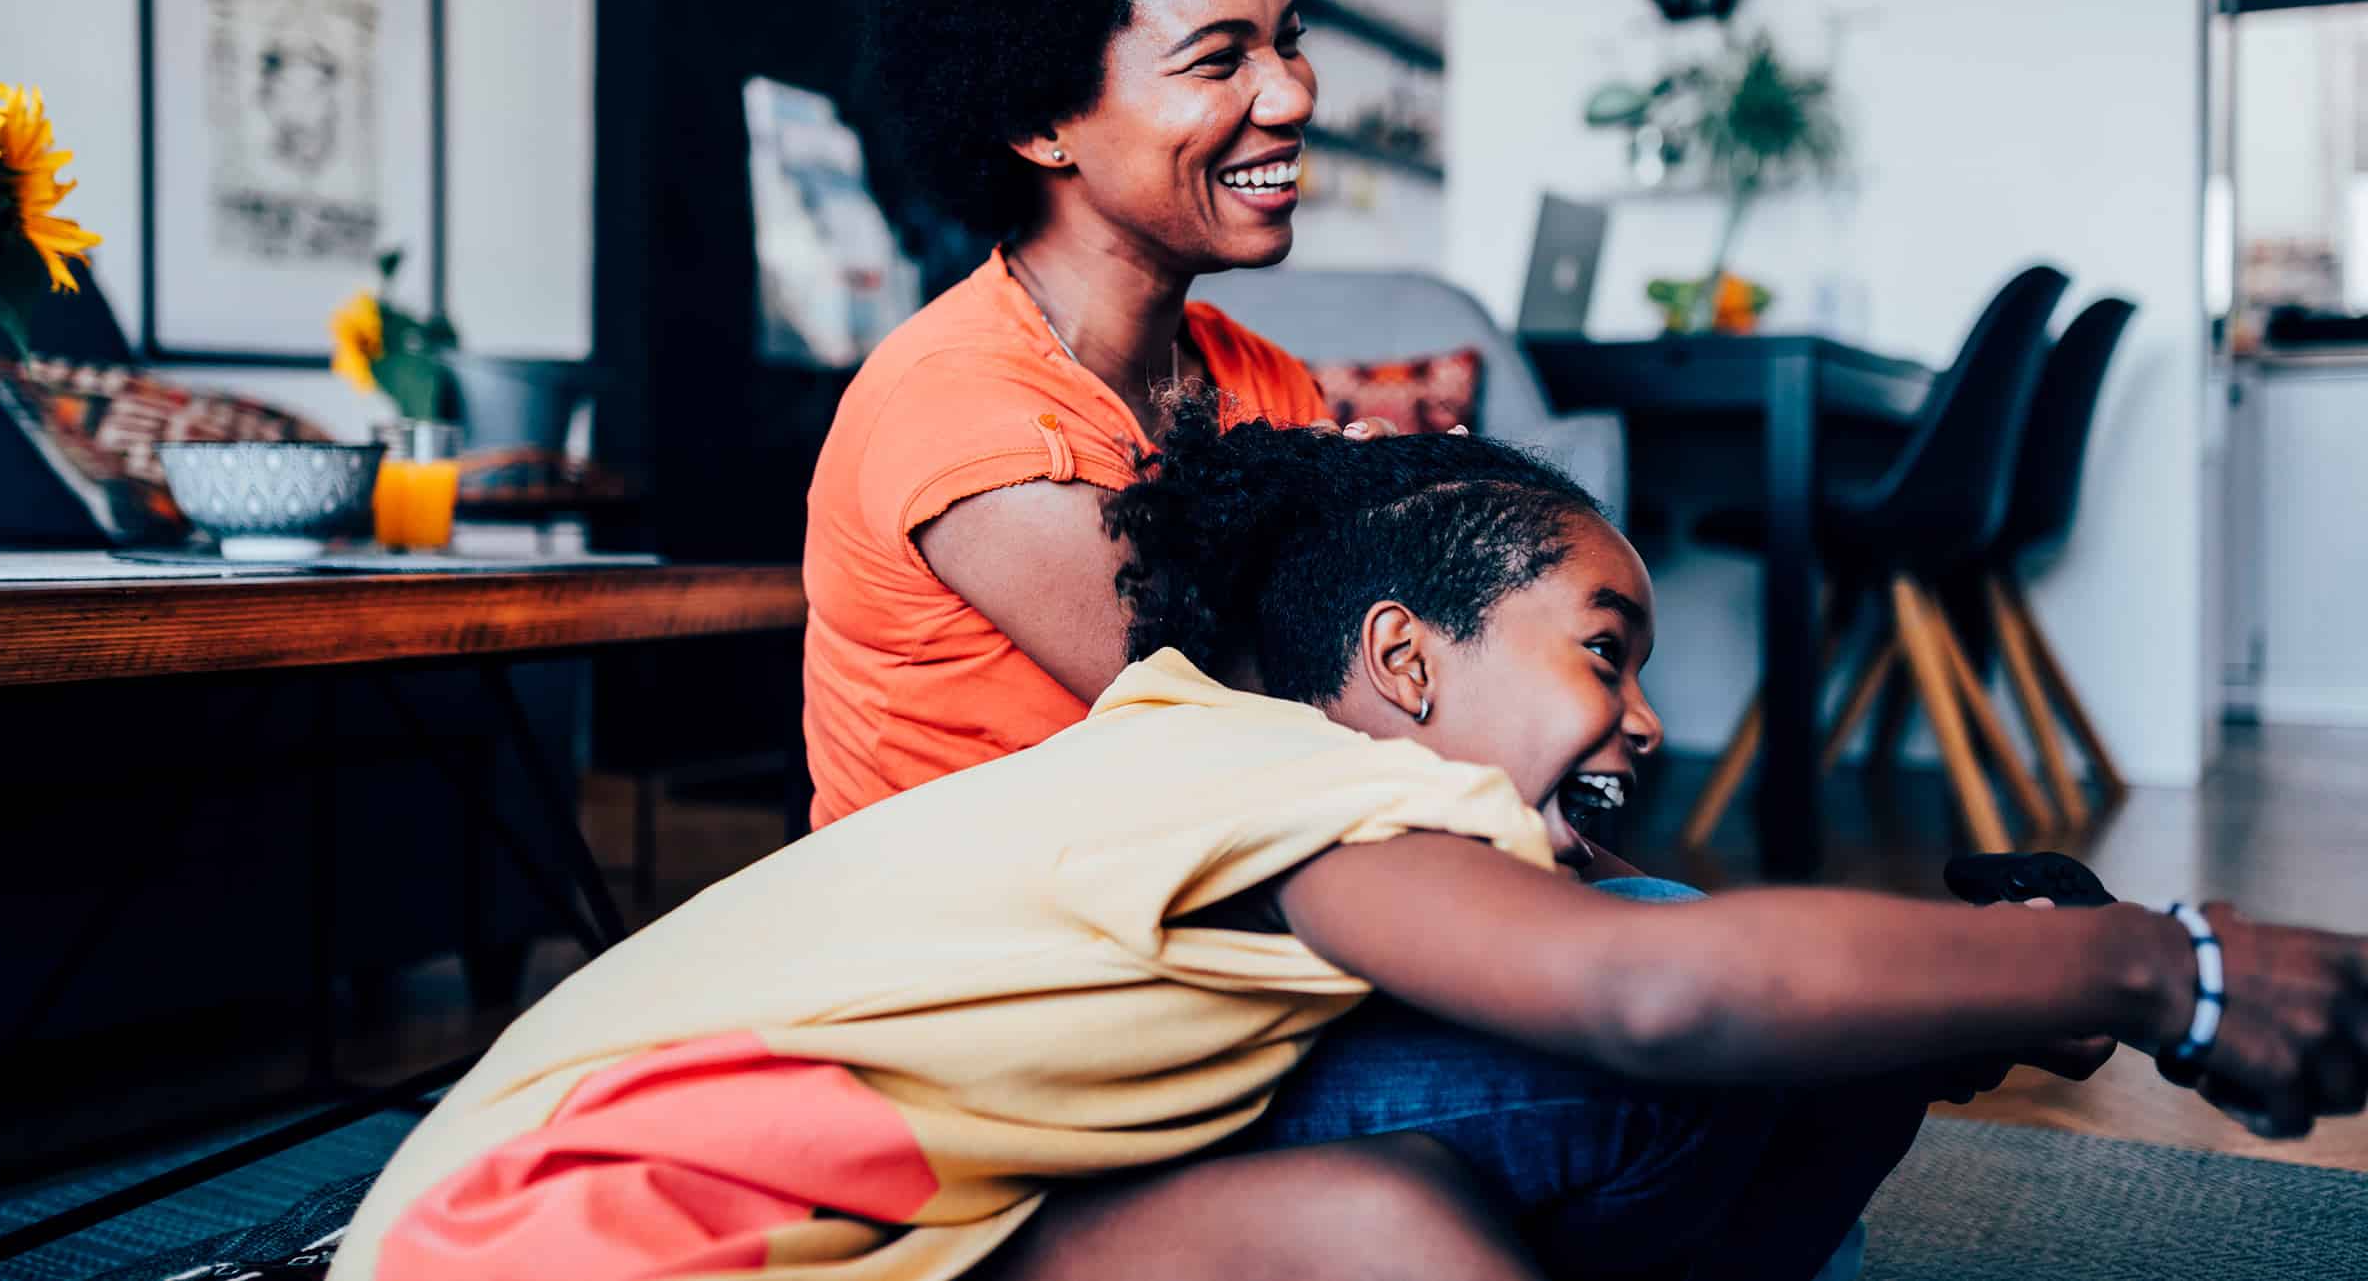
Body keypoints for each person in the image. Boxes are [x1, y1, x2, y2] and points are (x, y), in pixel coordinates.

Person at [333, 412, 2368, 1281]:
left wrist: (1923, 1021)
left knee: (1385, 1206)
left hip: (771, 1235)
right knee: (1592, 1032)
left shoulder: (1198, 761)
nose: (1648, 721)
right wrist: (2159, 969)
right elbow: (1651, 993)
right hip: (576, 1250)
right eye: (1604, 652)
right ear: (1400, 664)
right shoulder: (1287, 786)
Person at [807, 0, 1403, 827]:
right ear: (1042, 116)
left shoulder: (1259, 383)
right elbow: (1277, 729)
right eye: (1220, 59)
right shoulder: (961, 417)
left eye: (1289, 40)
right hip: (988, 973)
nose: (1292, 95)